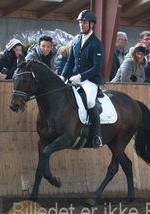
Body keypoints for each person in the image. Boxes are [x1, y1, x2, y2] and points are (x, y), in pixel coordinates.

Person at [61, 10, 104, 148]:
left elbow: (97, 67)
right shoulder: (75, 40)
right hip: (73, 78)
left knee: (90, 102)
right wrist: (63, 76)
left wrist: (80, 77)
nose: (81, 25)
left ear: (91, 24)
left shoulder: (96, 43)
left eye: (84, 22)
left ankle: (97, 135)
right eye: (80, 22)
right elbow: (70, 62)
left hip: (89, 80)